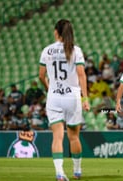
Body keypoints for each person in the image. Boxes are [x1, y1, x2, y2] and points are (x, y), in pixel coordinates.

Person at [39, 19, 90, 181]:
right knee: (74, 137)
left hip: (54, 97)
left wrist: (49, 88)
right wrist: (85, 98)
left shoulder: (47, 51)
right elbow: (82, 75)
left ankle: (60, 173)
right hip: (72, 97)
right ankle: (77, 171)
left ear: (56, 32)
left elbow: (41, 76)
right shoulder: (76, 50)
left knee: (57, 136)